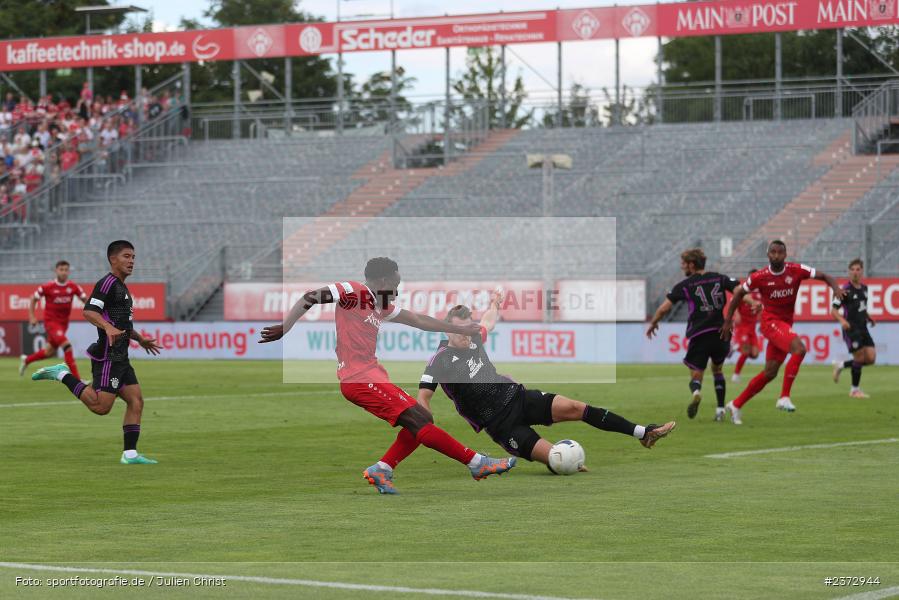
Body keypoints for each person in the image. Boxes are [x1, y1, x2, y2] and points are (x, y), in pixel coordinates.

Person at [259, 257, 517, 494]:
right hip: (358, 378)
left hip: (372, 375)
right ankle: (476, 462)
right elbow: (311, 296)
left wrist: (457, 328)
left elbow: (417, 320)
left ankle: (382, 469)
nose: (397, 290)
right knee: (419, 421)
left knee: (423, 416)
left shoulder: (379, 304)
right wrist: (285, 327)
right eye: (395, 284)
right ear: (383, 281)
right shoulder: (353, 291)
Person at [409, 294, 675, 472]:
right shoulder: (441, 360)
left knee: (576, 407)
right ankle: (563, 460)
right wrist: (424, 412)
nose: (467, 334)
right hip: (501, 425)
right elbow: (424, 394)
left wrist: (495, 305)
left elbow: (488, 321)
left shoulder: (473, 337)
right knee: (558, 461)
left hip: (519, 398)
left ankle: (644, 432)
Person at [31, 241, 162, 464]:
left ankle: (130, 454)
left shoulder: (122, 287)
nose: (131, 261)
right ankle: (62, 373)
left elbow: (124, 325)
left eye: (133, 257)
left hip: (121, 356)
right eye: (126, 256)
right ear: (113, 259)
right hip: (109, 355)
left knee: (136, 401)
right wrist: (107, 327)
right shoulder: (108, 283)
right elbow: (89, 311)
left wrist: (140, 340)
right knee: (101, 407)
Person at [721, 240, 845, 424]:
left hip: (785, 324)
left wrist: (835, 288)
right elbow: (739, 293)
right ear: (768, 254)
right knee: (799, 349)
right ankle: (784, 397)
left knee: (770, 372)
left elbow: (825, 276)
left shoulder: (796, 270)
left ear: (785, 255)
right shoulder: (759, 276)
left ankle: (735, 405)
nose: (776, 255)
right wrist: (728, 319)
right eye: (773, 252)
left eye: (780, 252)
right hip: (769, 322)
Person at [647, 248, 759, 421]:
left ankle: (697, 391)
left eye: (684, 264)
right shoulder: (720, 278)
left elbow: (664, 308)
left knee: (696, 372)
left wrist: (654, 323)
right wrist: (754, 303)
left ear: (691, 265)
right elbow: (739, 291)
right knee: (717, 370)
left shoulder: (685, 285)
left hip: (699, 334)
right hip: (721, 333)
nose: (682, 268)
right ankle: (720, 410)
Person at [19, 261, 87, 379]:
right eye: (61, 269)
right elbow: (33, 298)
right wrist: (32, 316)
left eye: (66, 270)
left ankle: (27, 360)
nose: (64, 272)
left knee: (48, 352)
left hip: (64, 324)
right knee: (67, 346)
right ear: (56, 271)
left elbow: (86, 300)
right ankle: (77, 380)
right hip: (51, 322)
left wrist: (94, 311)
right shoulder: (47, 287)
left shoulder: (73, 287)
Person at [831, 259, 876, 398]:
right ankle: (854, 390)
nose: (855, 272)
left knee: (870, 358)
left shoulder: (865, 289)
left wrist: (869, 317)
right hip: (851, 328)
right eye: (853, 269)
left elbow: (861, 307)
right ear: (849, 272)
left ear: (862, 271)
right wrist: (842, 320)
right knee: (859, 356)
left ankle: (841, 365)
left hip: (863, 328)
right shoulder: (844, 291)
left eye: (858, 269)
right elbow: (833, 310)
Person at [731, 270, 763, 383]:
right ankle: (736, 375)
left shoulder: (760, 291)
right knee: (745, 352)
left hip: (752, 327)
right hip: (742, 325)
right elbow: (733, 301)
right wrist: (737, 314)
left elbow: (762, 308)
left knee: (755, 354)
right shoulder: (743, 289)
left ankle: (734, 347)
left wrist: (762, 321)